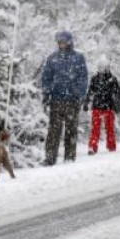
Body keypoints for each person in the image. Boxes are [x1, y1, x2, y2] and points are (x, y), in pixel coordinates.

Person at [41, 31, 88, 165]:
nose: (62, 44)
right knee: (53, 130)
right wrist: (46, 93)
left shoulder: (78, 58)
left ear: (69, 42)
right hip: (56, 99)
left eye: (64, 41)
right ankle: (50, 158)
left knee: (71, 129)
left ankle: (70, 157)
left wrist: (80, 94)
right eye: (60, 41)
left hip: (73, 100)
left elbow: (83, 77)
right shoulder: (52, 58)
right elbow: (46, 77)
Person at [84, 56, 120, 155]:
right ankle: (93, 147)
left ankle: (111, 146)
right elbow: (90, 91)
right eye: (101, 67)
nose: (102, 70)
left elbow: (117, 93)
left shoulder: (113, 79)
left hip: (109, 107)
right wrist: (86, 102)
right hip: (97, 107)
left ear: (108, 68)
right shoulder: (94, 79)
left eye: (105, 68)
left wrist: (118, 104)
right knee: (95, 128)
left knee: (110, 128)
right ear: (98, 68)